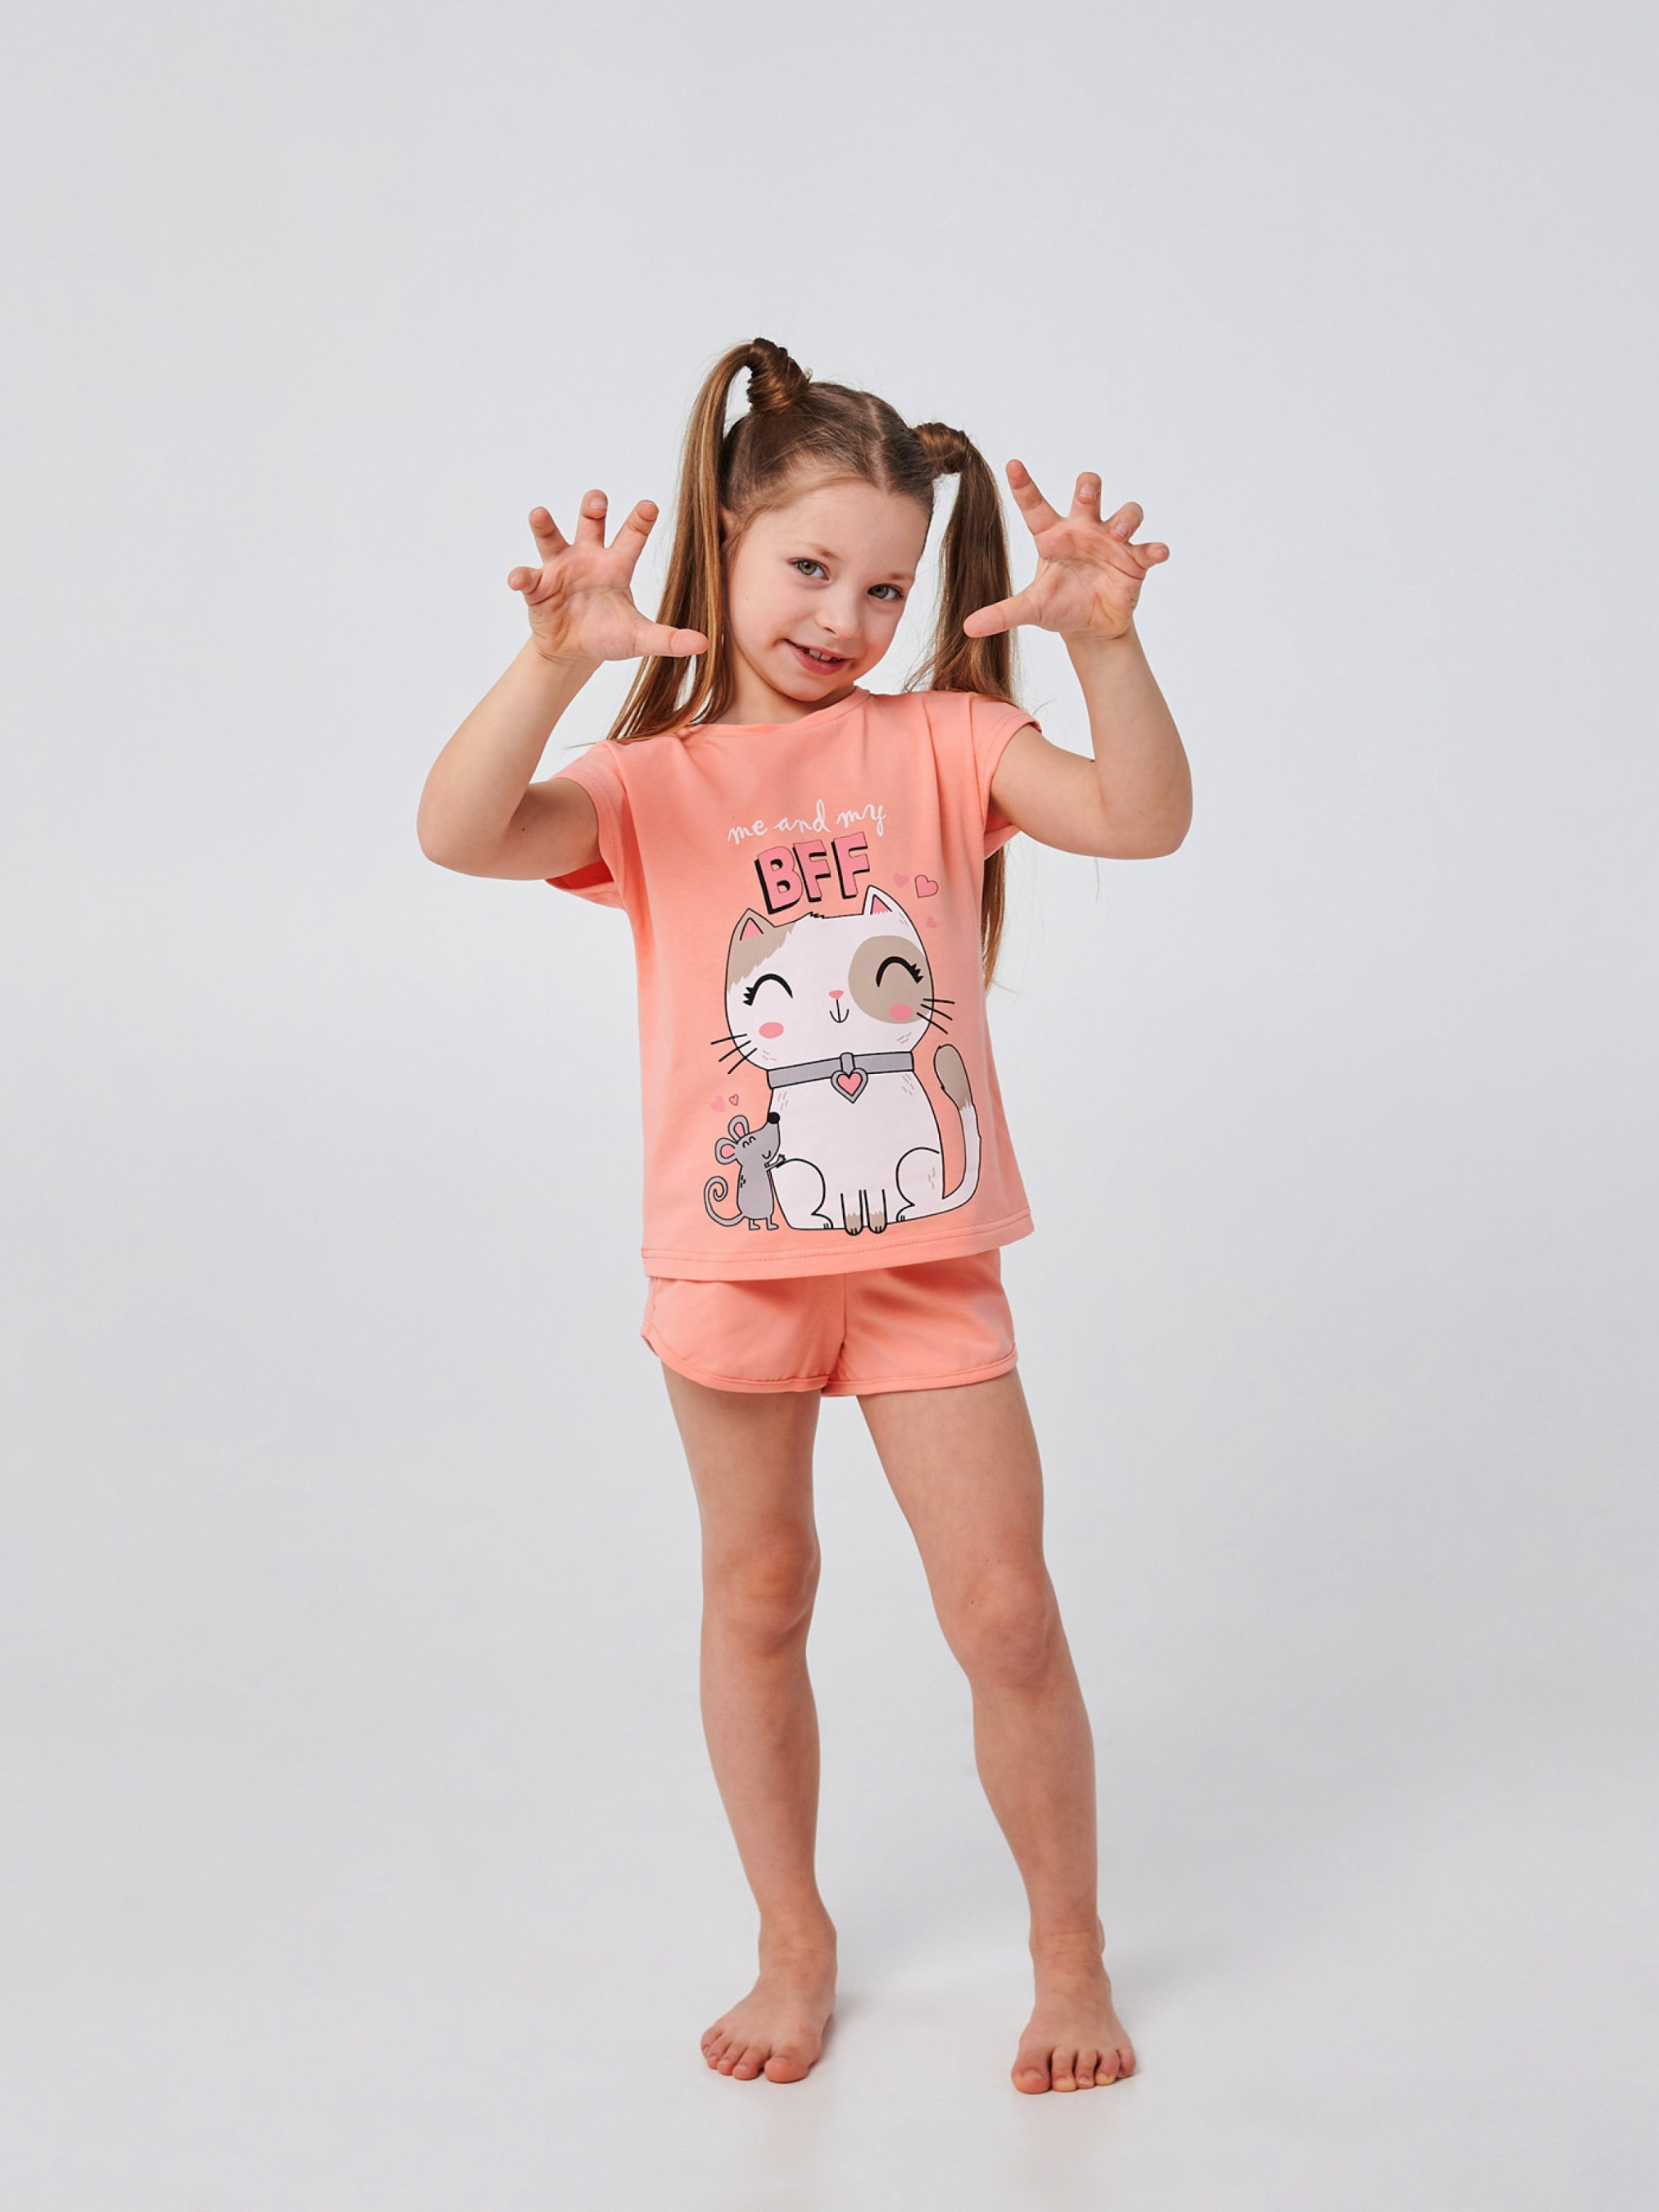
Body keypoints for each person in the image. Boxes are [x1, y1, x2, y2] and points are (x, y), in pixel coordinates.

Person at [417, 339, 1191, 2094]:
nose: (845, 617)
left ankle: (1065, 1955)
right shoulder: (652, 782)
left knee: (1005, 1612)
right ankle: (792, 1939)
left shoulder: (946, 742)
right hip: (734, 1260)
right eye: (810, 569)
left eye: (885, 588)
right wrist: (549, 664)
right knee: (759, 1592)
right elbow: (459, 832)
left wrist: (1105, 645)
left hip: (926, 1264)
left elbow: (1138, 821)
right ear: (724, 540)